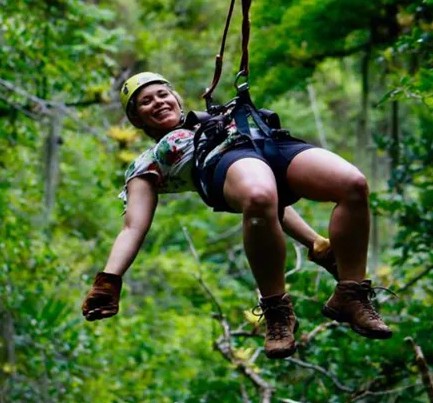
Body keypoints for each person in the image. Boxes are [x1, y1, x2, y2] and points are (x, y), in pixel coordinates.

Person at [81, 72, 391, 359]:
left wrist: (316, 244)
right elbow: (133, 226)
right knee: (257, 195)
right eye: (146, 102)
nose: (158, 102)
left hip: (267, 141)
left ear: (177, 98)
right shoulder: (149, 161)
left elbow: (275, 206)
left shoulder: (212, 116)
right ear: (136, 119)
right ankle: (276, 311)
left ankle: (352, 294)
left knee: (352, 183)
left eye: (163, 94)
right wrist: (109, 279)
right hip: (222, 161)